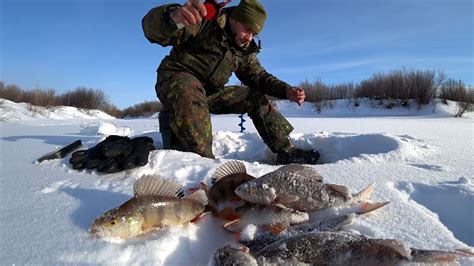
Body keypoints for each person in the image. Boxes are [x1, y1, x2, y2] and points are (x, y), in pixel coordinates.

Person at [142, 0, 320, 164]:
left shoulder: (241, 51)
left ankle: (286, 151)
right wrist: (172, 18)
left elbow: (258, 77)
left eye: (254, 33)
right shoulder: (204, 23)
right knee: (188, 87)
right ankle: (203, 164)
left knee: (254, 97)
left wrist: (286, 90)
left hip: (209, 93)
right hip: (175, 81)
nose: (249, 37)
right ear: (234, 18)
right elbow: (153, 32)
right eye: (247, 29)